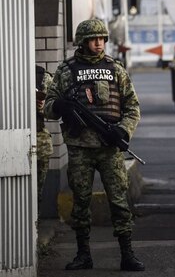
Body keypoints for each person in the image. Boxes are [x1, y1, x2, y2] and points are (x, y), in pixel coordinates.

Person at [44, 19, 144, 272]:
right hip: (79, 148)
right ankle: (83, 254)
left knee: (119, 202)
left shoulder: (115, 69)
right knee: (80, 202)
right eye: (93, 39)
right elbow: (48, 106)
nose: (99, 43)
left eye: (102, 39)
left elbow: (132, 107)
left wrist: (123, 130)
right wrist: (59, 106)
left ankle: (127, 253)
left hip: (109, 148)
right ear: (83, 42)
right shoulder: (66, 71)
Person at [36, 65, 54, 205]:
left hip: (39, 140)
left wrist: (42, 107)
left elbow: (55, 107)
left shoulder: (42, 76)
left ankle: (35, 221)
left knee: (37, 190)